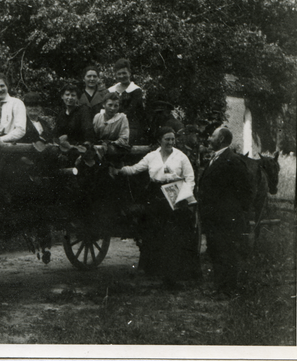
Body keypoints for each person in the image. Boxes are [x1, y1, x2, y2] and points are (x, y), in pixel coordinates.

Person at [117, 126, 201, 287]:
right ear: (159, 141)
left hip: (175, 192)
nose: (170, 142)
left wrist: (184, 195)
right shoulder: (151, 156)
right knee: (155, 231)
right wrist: (120, 170)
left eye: (172, 139)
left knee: (174, 233)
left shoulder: (180, 156)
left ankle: (177, 273)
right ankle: (155, 270)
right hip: (156, 195)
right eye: (167, 139)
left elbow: (190, 178)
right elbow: (135, 169)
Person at [199, 127, 253, 298]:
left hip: (227, 218)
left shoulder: (232, 160)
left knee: (226, 253)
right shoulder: (216, 158)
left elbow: (246, 190)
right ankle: (220, 288)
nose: (209, 138)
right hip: (214, 217)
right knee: (216, 252)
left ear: (221, 139)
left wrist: (235, 212)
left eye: (213, 135)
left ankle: (228, 290)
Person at [107, 58, 148, 145]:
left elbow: (131, 111)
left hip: (131, 126)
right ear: (116, 75)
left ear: (129, 72)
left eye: (124, 73)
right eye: (119, 74)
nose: (122, 76)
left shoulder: (136, 91)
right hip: (113, 124)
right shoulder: (111, 90)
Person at [0, 72, 27, 143]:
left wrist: (0, 140)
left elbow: (21, 130)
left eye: (2, 86)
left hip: (11, 147)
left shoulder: (16, 103)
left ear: (7, 86)